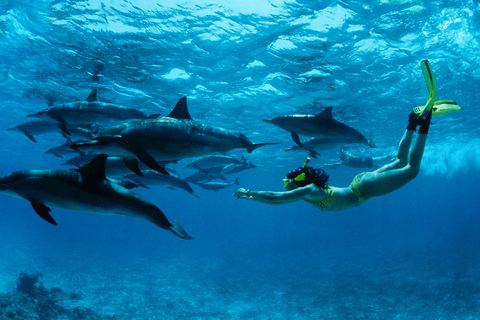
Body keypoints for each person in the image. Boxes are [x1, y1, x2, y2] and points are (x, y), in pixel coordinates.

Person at [232, 111, 432, 212]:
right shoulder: (306, 191)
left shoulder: (307, 191)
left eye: (287, 183)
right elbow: (275, 199)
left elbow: (275, 199)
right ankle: (412, 123)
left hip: (364, 189)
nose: (286, 186)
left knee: (411, 169)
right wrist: (248, 197)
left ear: (298, 182)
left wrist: (248, 192)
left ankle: (423, 125)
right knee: (401, 161)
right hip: (361, 185)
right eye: (286, 183)